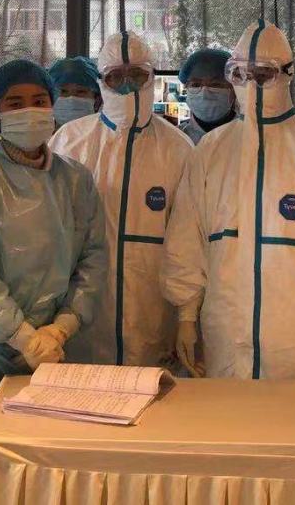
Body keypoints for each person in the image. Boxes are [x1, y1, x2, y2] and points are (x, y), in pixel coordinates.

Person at [0, 59, 107, 500]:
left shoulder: (76, 180)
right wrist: (21, 336)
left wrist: (62, 327)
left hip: (59, 351)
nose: (29, 110)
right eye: (15, 103)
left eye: (38, 100)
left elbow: (93, 260)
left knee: (53, 478)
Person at [162, 20, 295, 381]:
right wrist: (186, 317)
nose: (251, 85)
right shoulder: (210, 151)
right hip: (224, 330)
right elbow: (187, 241)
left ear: (287, 74)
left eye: (263, 75)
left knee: (294, 415)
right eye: (240, 75)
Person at [49, 32, 193, 366]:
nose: (127, 86)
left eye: (137, 75)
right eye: (116, 77)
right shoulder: (69, 141)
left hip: (153, 312)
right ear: (101, 82)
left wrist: (187, 316)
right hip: (82, 312)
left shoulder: (179, 149)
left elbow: (189, 241)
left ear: (152, 77)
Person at [177, 47, 236, 146]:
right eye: (196, 85)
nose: (204, 94)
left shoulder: (251, 136)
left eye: (215, 84)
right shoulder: (174, 138)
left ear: (234, 90)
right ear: (186, 88)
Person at [49, 55, 101, 127]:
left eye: (80, 91)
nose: (71, 98)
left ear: (97, 100)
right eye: (63, 91)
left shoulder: (107, 133)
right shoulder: (41, 132)